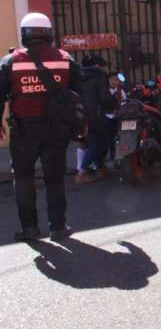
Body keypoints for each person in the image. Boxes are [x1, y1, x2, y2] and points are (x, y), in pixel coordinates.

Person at [0, 13, 80, 242]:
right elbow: (79, 93)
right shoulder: (65, 58)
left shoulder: (11, 61)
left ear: (24, 34)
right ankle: (58, 227)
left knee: (23, 177)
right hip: (56, 130)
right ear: (49, 33)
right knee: (54, 178)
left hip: (24, 130)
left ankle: (30, 228)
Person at [76, 54, 116, 183]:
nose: (105, 69)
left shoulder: (79, 77)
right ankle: (82, 172)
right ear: (98, 66)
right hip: (97, 115)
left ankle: (100, 168)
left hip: (82, 116)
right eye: (104, 66)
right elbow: (105, 98)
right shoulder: (99, 76)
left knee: (94, 142)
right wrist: (115, 102)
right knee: (100, 143)